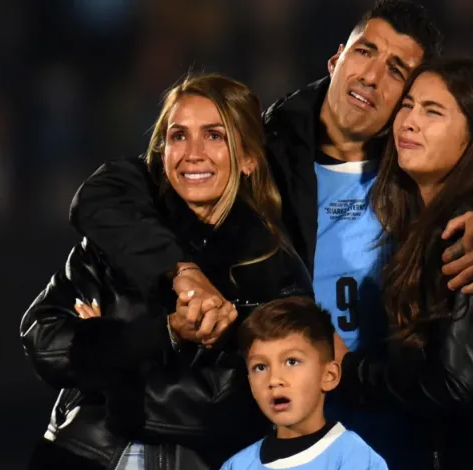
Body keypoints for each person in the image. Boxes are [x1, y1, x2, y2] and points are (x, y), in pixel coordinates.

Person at [66, 0, 473, 466]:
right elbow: (108, 192)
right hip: (291, 442)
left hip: (409, 442)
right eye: (366, 51)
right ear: (336, 58)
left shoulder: (428, 164)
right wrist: (183, 273)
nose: (371, 75)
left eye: (397, 71)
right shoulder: (266, 152)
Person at [20, 74, 313, 470]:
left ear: (248, 159)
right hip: (79, 457)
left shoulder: (274, 271)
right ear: (162, 151)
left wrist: (107, 368)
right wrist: (165, 333)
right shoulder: (120, 238)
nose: (193, 153)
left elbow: (232, 403)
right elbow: (44, 340)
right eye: (178, 136)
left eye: (214, 136)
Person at [334, 58, 473, 469]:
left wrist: (347, 369)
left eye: (433, 112)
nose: (409, 122)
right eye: (408, 106)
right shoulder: (416, 222)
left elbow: (453, 383)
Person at [221, 297, 387, 469]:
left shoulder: (355, 459)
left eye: (292, 361)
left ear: (329, 375)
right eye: (260, 367)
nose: (274, 380)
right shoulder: (236, 465)